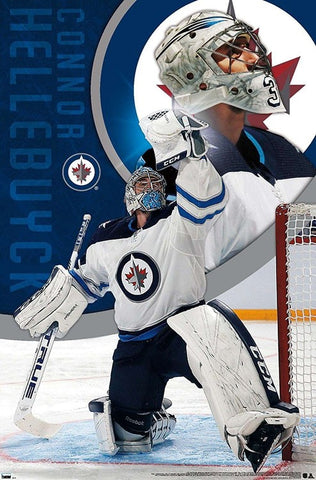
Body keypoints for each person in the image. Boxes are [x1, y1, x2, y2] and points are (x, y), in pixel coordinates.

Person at [14, 110, 299, 473]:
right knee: (127, 434)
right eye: (140, 187)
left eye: (154, 188)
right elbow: (89, 281)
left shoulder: (182, 222)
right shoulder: (106, 237)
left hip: (185, 334)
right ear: (128, 196)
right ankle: (153, 418)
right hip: (135, 346)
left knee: (218, 345)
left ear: (163, 194)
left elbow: (205, 195)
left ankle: (256, 419)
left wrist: (191, 156)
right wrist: (66, 294)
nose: (147, 192)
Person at [138, 4, 316, 271]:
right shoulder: (168, 162)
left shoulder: (281, 150)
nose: (253, 60)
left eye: (247, 49)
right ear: (193, 74)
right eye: (232, 53)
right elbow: (170, 270)